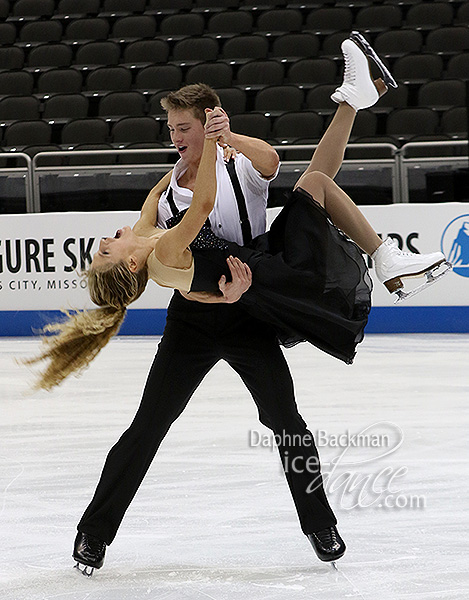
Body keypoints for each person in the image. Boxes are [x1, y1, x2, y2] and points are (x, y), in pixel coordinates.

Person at [26, 34, 448, 575]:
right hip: (200, 316)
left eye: (184, 128)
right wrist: (209, 286)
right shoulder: (172, 207)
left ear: (207, 123)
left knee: (285, 419)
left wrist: (226, 143)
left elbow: (263, 166)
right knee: (148, 426)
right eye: (172, 129)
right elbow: (182, 268)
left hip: (254, 288)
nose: (175, 137)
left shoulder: (210, 176)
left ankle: (320, 525)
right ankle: (94, 532)